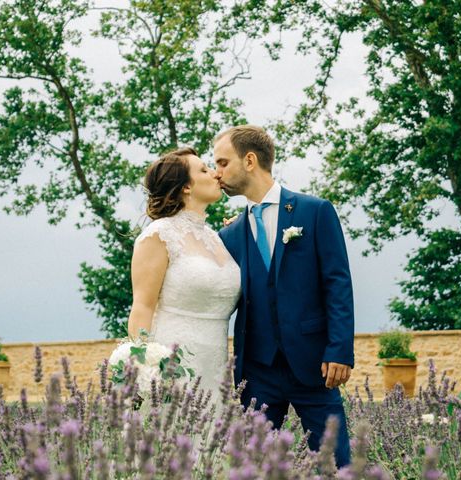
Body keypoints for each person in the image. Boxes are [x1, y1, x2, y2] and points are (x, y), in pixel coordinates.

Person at [215, 125, 354, 467]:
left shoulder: (314, 211)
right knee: (254, 468)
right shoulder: (228, 234)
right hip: (257, 372)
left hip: (315, 365)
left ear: (249, 160)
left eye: (222, 162)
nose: (217, 173)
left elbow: (337, 283)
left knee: (336, 465)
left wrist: (339, 349)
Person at [127, 147, 241, 396]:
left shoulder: (217, 239)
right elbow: (143, 307)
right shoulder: (159, 234)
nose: (215, 174)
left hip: (216, 367)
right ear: (186, 187)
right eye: (204, 169)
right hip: (173, 365)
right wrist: (141, 371)